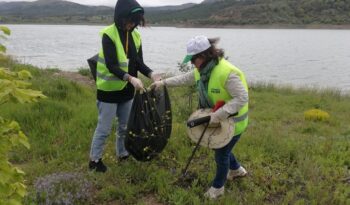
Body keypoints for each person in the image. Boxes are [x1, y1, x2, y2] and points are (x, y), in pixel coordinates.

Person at [151, 35, 249, 199]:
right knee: (223, 148)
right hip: (219, 120)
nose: (191, 64)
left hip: (234, 122)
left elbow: (242, 98)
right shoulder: (201, 71)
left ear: (203, 56)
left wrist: (217, 115)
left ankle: (218, 188)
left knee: (221, 153)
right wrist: (163, 83)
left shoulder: (227, 72)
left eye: (193, 60)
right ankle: (237, 170)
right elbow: (184, 78)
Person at [89, 0, 160, 173]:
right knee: (104, 128)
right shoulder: (108, 34)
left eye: (135, 21)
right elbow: (112, 65)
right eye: (129, 21)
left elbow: (138, 62)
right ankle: (94, 161)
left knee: (124, 127)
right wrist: (130, 78)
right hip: (108, 91)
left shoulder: (135, 35)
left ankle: (122, 154)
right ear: (120, 17)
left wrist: (151, 74)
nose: (131, 24)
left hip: (127, 91)